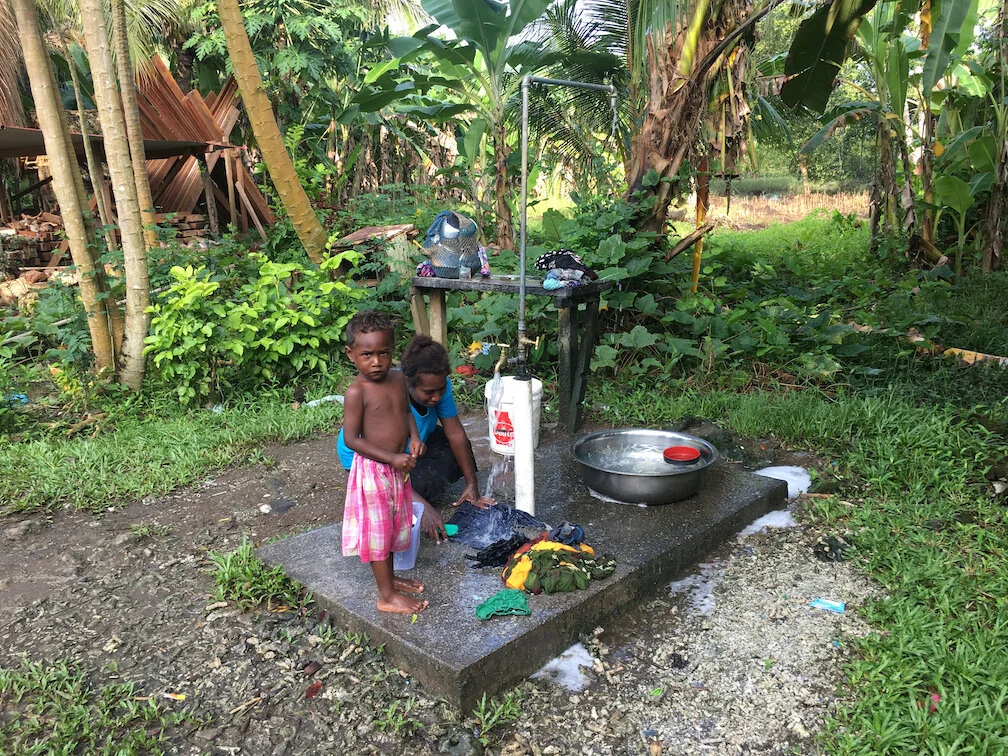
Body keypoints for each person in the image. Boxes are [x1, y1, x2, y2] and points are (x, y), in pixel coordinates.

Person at [338, 334, 493, 543]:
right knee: (416, 485)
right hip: (374, 456)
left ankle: (407, 493)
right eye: (428, 392)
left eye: (440, 390)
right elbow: (384, 461)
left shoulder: (438, 382)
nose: (437, 397)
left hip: (409, 445)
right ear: (409, 384)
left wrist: (471, 485)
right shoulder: (389, 391)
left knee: (454, 450)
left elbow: (455, 432)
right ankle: (395, 497)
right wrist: (421, 507)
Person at [340, 311, 428, 614]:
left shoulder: (398, 378)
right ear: (351, 354)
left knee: (391, 528)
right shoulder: (357, 392)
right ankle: (386, 596)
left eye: (383, 353)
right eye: (367, 355)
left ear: (392, 349)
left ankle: (389, 581)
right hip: (373, 472)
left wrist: (414, 437)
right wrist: (392, 456)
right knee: (378, 534)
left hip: (396, 470)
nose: (376, 362)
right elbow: (352, 440)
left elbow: (405, 413)